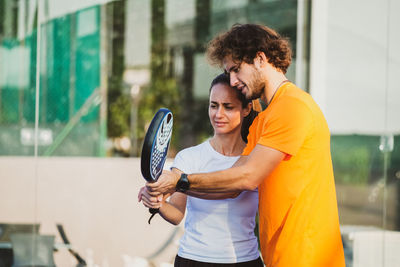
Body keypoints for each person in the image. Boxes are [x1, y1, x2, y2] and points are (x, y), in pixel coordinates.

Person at [146, 24, 346, 267]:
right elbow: (231, 186)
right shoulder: (264, 120)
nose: (232, 80)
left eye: (236, 69)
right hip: (280, 258)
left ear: (260, 59)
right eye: (228, 72)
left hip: (308, 258)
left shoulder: (292, 107)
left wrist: (180, 181)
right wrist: (169, 189)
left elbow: (247, 177)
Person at [138, 73, 263, 267]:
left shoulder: (255, 159)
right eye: (213, 105)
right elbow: (177, 214)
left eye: (228, 107)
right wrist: (157, 203)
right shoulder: (189, 157)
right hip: (192, 259)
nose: (218, 114)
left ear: (246, 109)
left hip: (244, 260)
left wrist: (179, 183)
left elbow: (232, 190)